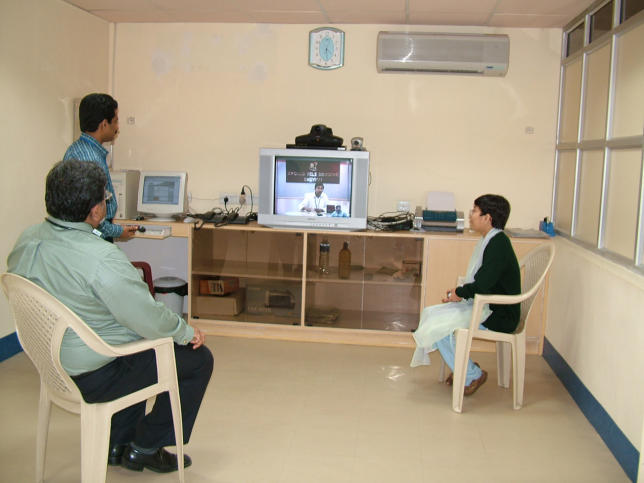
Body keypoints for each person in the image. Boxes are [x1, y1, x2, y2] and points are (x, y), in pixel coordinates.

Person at [7, 160, 213, 473]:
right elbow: (149, 318)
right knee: (196, 359)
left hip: (51, 365)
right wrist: (185, 332)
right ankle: (146, 447)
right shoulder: (101, 258)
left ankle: (117, 443)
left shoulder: (27, 239)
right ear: (96, 211)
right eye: (105, 198)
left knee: (125, 338)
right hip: (94, 375)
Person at [410, 194, 520, 396]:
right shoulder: (491, 240)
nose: (471, 215)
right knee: (432, 314)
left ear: (487, 218)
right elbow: (481, 282)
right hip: (490, 305)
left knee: (440, 328)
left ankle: (472, 374)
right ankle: (464, 367)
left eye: (475, 211)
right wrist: (459, 293)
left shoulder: (498, 245)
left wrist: (459, 294)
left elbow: (484, 284)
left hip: (500, 315)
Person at [63, 93, 138, 242]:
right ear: (104, 124)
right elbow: (92, 216)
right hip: (92, 237)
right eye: (115, 121)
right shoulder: (91, 160)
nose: (117, 127)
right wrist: (117, 231)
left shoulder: (77, 149)